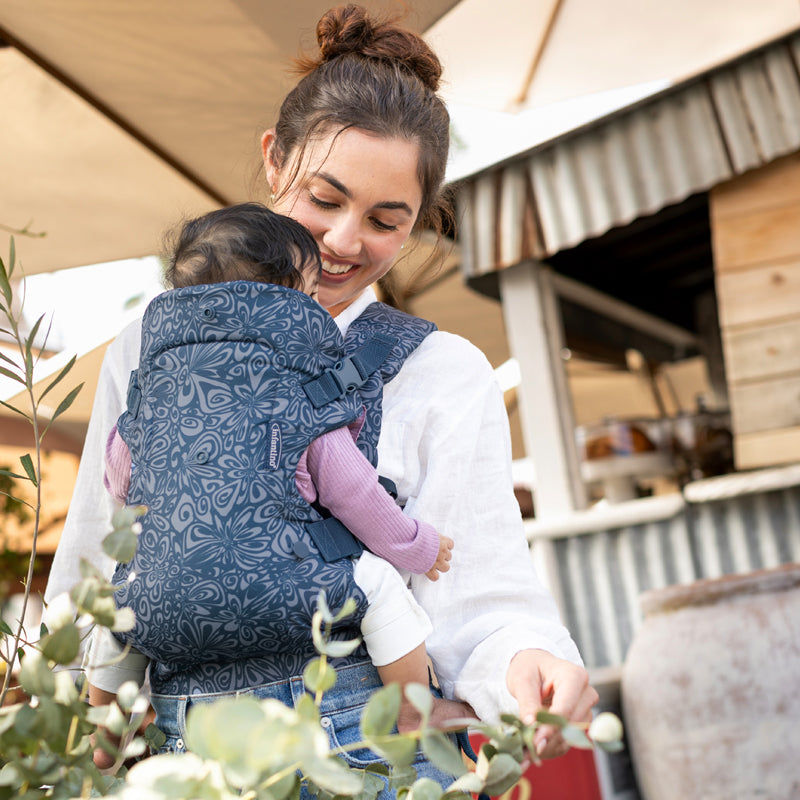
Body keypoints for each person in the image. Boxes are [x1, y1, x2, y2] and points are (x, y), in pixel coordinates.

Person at [45, 3, 597, 787]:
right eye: (324, 198)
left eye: (384, 219)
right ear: (275, 161)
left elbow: (484, 606)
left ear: (418, 226)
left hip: (375, 763)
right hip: (188, 768)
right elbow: (98, 567)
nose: (342, 242)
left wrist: (529, 664)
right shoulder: (148, 347)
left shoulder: (444, 371)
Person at [88, 201, 459, 735]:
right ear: (285, 303)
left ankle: (102, 729)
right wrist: (418, 546)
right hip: (286, 589)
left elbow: (119, 480)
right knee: (377, 585)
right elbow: (356, 496)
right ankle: (411, 708)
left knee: (122, 606)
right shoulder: (296, 392)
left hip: (168, 599)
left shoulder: (154, 395)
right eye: (310, 294)